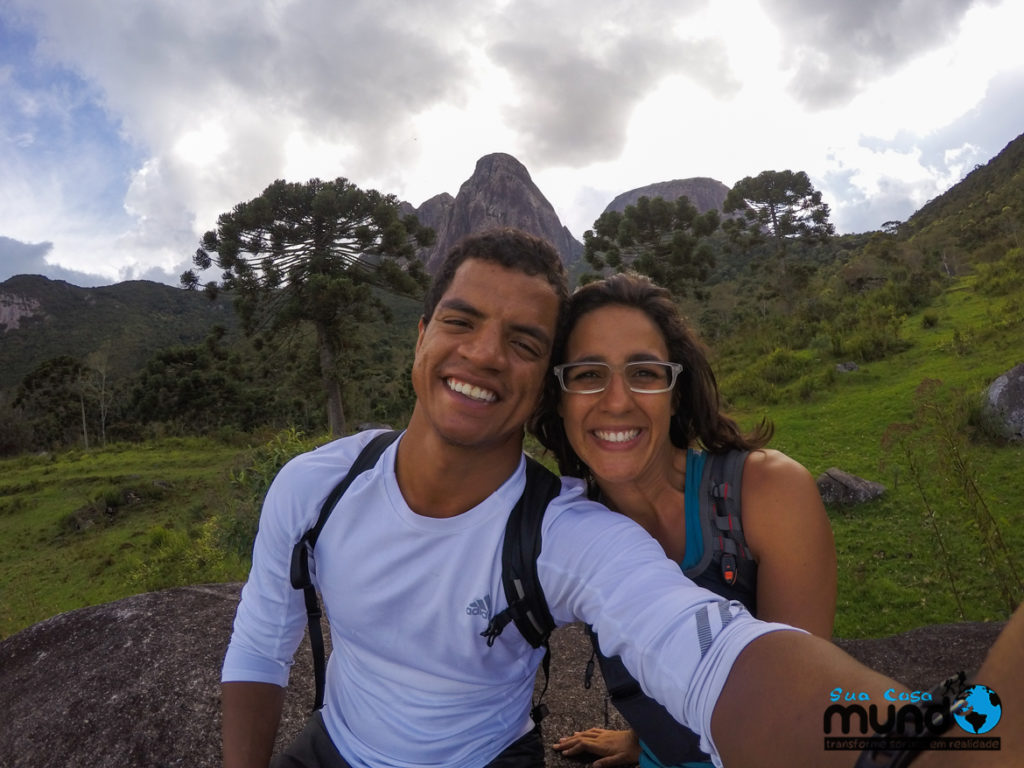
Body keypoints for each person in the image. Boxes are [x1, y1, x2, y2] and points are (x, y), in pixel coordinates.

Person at [221, 227, 1022, 768]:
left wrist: (942, 733)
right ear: (420, 335)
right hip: (329, 748)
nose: (486, 354)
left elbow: (725, 659)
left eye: (525, 342)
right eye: (461, 322)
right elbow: (260, 646)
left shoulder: (569, 533)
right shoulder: (317, 485)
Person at [531, 272, 837, 768]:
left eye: (645, 373)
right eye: (588, 374)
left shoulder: (767, 493)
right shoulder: (573, 530)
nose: (616, 400)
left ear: (675, 391)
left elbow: (796, 714)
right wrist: (644, 741)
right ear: (559, 397)